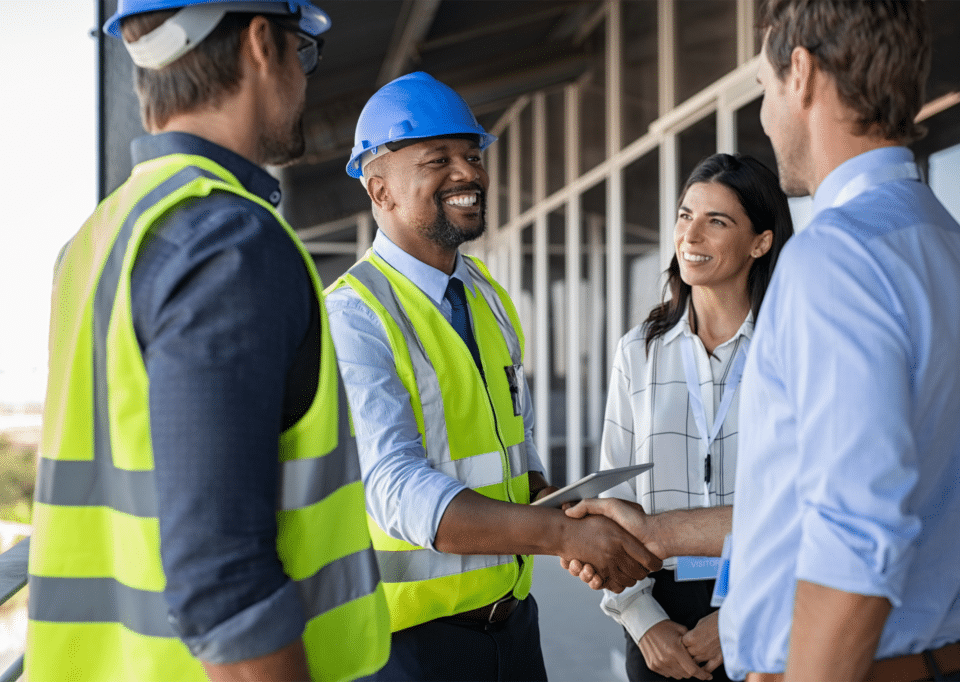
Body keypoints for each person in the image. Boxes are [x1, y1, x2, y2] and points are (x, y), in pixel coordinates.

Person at [570, 2, 960, 681]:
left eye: (765, 87)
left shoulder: (835, 258)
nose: (767, 113)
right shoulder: (956, 251)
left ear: (799, 73)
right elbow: (808, 504)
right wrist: (654, 536)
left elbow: (854, 538)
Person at [26, 2, 390, 681]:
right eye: (301, 53)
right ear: (260, 43)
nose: (304, 83)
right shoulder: (227, 241)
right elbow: (225, 589)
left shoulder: (97, 238)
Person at [325, 71, 661, 682]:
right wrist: (559, 536)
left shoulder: (485, 296)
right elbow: (396, 490)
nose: (468, 173)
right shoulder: (354, 315)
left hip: (512, 629)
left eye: (472, 155)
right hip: (407, 650)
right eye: (438, 159)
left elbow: (515, 445)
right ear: (381, 190)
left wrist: (560, 507)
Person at [596, 154, 792, 682]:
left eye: (716, 221)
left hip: (766, 604)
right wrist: (642, 620)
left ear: (761, 242)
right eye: (685, 216)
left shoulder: (790, 349)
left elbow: (804, 501)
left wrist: (741, 616)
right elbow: (616, 498)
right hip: (659, 611)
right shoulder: (639, 350)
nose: (691, 234)